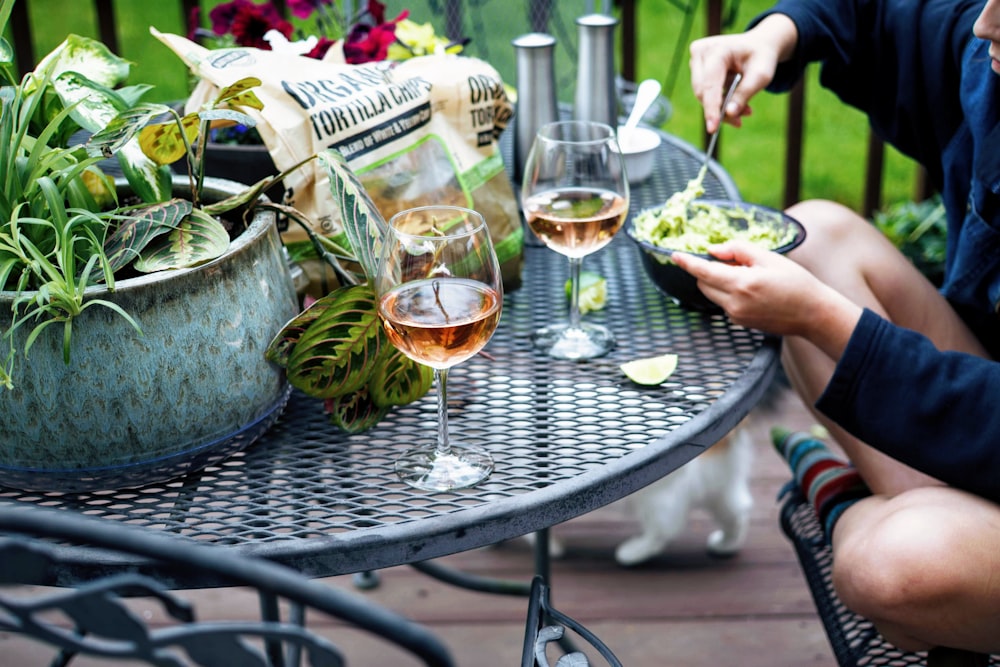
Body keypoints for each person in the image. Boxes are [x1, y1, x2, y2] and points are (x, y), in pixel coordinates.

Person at [674, 0, 1000, 655]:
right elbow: (876, 13)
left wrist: (824, 320)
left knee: (893, 567)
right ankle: (938, 527)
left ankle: (842, 495)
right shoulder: (989, 54)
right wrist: (773, 36)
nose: (987, 22)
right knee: (809, 239)